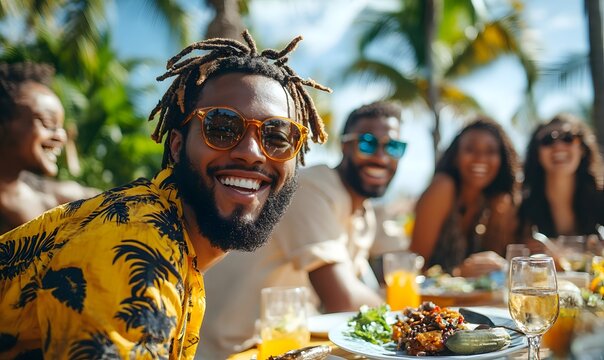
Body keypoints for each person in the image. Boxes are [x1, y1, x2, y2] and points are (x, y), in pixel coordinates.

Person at [0, 30, 330, 359]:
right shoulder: (134, 245)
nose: (252, 153)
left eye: (277, 136)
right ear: (176, 146)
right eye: (222, 127)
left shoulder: (178, 243)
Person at [198, 101, 407, 358]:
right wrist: (411, 315)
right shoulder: (309, 188)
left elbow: (402, 262)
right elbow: (343, 301)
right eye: (367, 142)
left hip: (288, 346)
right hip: (236, 351)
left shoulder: (364, 212)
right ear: (344, 145)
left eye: (394, 146)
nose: (381, 156)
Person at [410, 116, 520, 277]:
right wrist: (458, 273)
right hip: (431, 300)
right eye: (470, 149)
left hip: (470, 301)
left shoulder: (493, 202)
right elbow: (411, 269)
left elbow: (497, 266)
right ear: (455, 157)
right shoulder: (443, 188)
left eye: (490, 151)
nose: (480, 158)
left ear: (501, 160)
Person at [0, 62, 99, 234]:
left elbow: (114, 199)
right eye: (47, 123)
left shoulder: (46, 196)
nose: (61, 137)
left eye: (60, 127)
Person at [517, 113, 604, 247]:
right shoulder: (521, 206)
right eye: (547, 140)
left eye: (568, 138)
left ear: (582, 149)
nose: (558, 146)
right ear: (537, 153)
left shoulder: (600, 198)